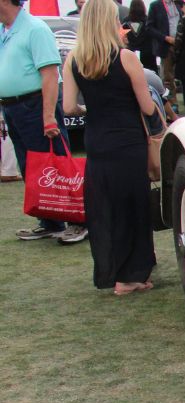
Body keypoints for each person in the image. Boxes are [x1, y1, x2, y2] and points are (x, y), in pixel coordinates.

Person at [62, 0, 158, 294]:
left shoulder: (75, 60)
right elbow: (147, 107)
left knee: (106, 207)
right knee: (133, 206)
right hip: (127, 141)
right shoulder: (126, 57)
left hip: (97, 140)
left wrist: (91, 109)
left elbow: (67, 107)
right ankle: (131, 275)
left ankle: (115, 271)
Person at [0, 0, 85, 244]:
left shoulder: (34, 28)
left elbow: (49, 74)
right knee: (31, 167)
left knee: (58, 164)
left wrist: (48, 117)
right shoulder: (5, 31)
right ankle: (50, 221)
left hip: (35, 105)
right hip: (13, 107)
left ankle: (79, 221)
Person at [146, 0, 182, 101]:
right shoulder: (155, 6)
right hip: (166, 45)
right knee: (167, 76)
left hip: (181, 43)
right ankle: (172, 101)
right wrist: (165, 38)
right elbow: (149, 28)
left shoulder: (179, 3)